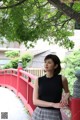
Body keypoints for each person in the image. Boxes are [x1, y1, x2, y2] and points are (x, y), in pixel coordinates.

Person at [31, 54, 70, 120]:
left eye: (49, 62)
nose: (46, 64)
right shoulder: (38, 80)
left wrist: (66, 97)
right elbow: (35, 101)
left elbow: (67, 92)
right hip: (39, 112)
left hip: (54, 114)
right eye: (45, 62)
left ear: (55, 66)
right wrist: (53, 104)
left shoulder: (62, 79)